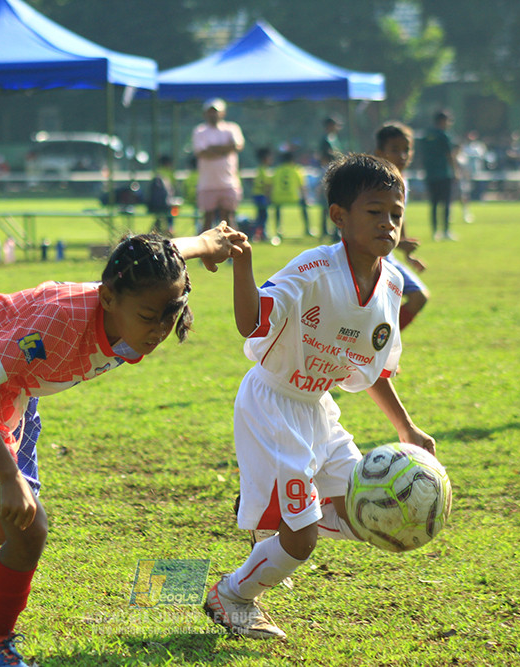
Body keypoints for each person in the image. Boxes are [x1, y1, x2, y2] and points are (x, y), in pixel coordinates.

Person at [0, 224, 247, 667]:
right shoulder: (58, 327)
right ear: (108, 299)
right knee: (28, 529)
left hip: (16, 390)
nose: (160, 329)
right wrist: (8, 475)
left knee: (0, 527)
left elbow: (163, 258)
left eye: (171, 313)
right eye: (149, 316)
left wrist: (206, 244)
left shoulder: (140, 283)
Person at [204, 153, 435, 640]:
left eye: (396, 213)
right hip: (271, 404)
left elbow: (370, 368)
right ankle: (232, 595)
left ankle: (275, 509)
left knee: (364, 509)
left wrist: (406, 427)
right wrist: (243, 265)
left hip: (318, 409)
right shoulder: (313, 268)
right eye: (375, 212)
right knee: (302, 541)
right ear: (339, 216)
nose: (388, 223)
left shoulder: (392, 283)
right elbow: (250, 323)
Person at [374, 122, 430, 330]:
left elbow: (398, 218)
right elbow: (372, 224)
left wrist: (407, 252)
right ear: (380, 152)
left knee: (418, 297)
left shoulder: (401, 180)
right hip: (371, 255)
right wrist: (399, 244)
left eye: (407, 149)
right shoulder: (377, 183)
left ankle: (381, 342)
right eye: (395, 149)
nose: (403, 155)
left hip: (387, 255)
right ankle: (377, 343)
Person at [192, 98, 245, 231]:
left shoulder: (232, 128)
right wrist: (225, 149)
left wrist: (212, 149)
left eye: (215, 112)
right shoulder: (200, 131)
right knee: (207, 219)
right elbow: (202, 152)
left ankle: (232, 244)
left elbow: (237, 146)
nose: (213, 115)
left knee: (228, 219)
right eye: (210, 112)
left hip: (228, 183)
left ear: (222, 113)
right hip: (207, 184)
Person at [421, 110, 458, 241]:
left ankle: (435, 231)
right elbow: (449, 155)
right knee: (446, 203)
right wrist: (455, 171)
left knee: (434, 203)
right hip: (444, 173)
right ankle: (446, 230)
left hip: (430, 173)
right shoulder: (444, 135)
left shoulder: (427, 135)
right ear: (443, 121)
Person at [271, 151, 310, 239]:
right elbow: (302, 186)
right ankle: (307, 228)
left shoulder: (277, 170)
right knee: (304, 205)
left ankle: (278, 229)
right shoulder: (296, 170)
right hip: (293, 198)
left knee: (277, 209)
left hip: (278, 198)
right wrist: (305, 198)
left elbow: (272, 184)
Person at [318, 116, 345, 239]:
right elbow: (325, 157)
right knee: (328, 201)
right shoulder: (326, 140)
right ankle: (326, 228)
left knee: (335, 200)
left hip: (335, 170)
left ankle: (334, 228)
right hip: (328, 170)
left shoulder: (334, 139)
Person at [250, 147, 273, 242]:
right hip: (261, 196)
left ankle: (258, 234)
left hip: (257, 195)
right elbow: (265, 185)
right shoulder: (264, 171)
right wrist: (268, 196)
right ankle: (260, 234)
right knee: (262, 216)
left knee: (261, 216)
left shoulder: (259, 170)